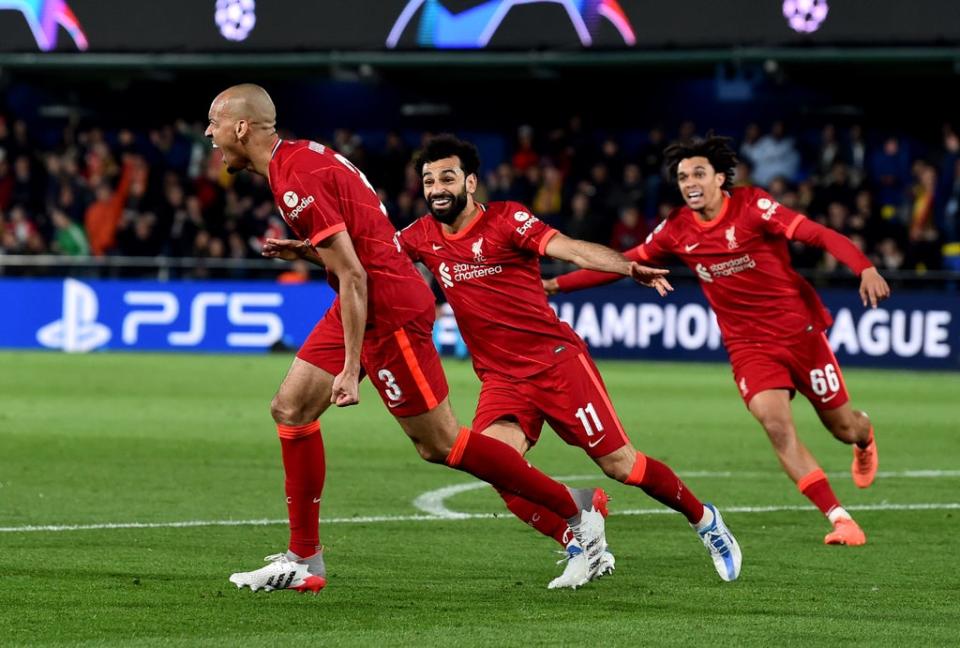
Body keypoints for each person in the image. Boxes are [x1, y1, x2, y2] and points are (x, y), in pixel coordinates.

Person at [267, 134, 742, 585]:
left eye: (448, 179)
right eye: (430, 181)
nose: (438, 189)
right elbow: (370, 266)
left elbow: (569, 248)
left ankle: (706, 520)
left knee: (623, 466)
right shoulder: (419, 236)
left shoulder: (508, 220)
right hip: (500, 378)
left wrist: (624, 265)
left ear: (471, 182)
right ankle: (581, 544)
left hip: (555, 363)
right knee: (498, 468)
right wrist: (309, 253)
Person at [205, 84, 610, 594]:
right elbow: (355, 249)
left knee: (441, 444)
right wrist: (309, 252)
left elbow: (354, 274)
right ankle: (304, 559)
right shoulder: (299, 160)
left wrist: (351, 369)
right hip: (363, 300)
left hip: (387, 308)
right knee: (290, 408)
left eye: (215, 122)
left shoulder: (293, 179)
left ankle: (574, 508)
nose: (209, 133)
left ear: (242, 127)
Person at [546, 134, 889, 546]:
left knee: (844, 427)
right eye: (681, 176)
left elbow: (817, 235)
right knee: (776, 425)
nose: (689, 182)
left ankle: (865, 440)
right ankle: (839, 518)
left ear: (721, 178)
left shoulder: (753, 206)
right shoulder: (677, 229)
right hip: (749, 348)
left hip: (801, 335)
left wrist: (864, 267)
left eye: (698, 173)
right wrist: (557, 285)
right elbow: (629, 261)